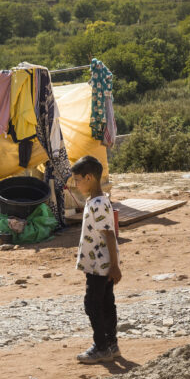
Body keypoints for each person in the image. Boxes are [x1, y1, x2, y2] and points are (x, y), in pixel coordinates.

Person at [71, 155, 122, 363]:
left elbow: (109, 234)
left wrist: (114, 266)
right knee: (106, 303)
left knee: (93, 304)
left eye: (77, 180)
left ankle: (101, 347)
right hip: (100, 264)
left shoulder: (99, 203)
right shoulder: (95, 200)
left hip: (100, 266)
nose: (76, 184)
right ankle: (111, 344)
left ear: (89, 177)